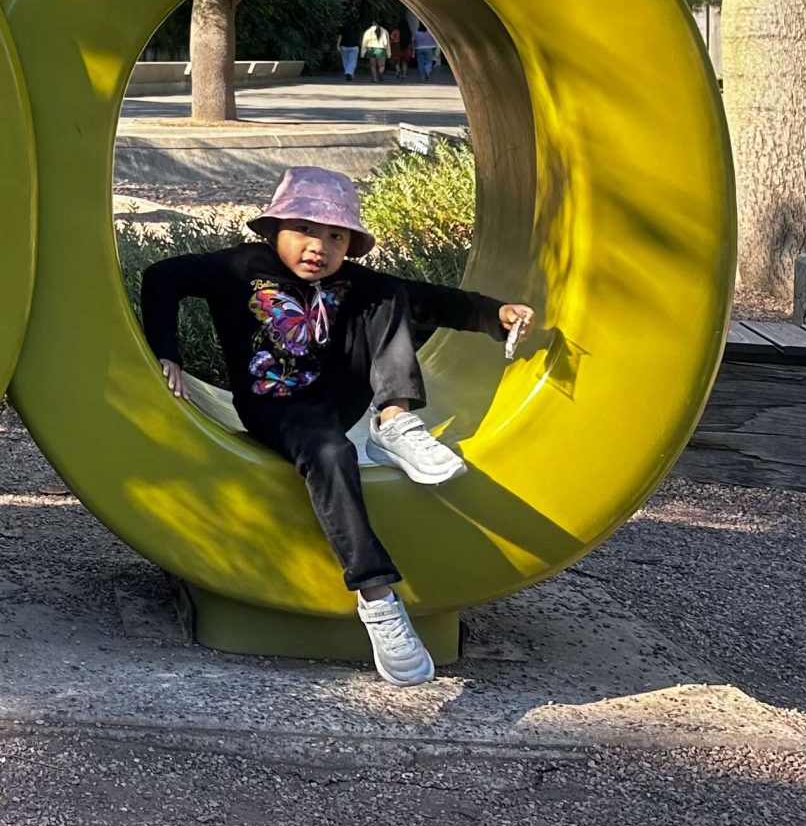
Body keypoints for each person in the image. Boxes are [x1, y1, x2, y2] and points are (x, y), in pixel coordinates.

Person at [138, 166, 534, 685]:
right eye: (304, 229)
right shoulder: (241, 268)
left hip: (341, 397)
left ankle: (394, 420)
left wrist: (494, 313)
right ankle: (378, 598)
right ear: (274, 228)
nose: (318, 246)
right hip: (277, 406)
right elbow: (161, 277)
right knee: (331, 455)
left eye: (335, 235)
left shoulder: (353, 282)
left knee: (389, 292)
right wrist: (166, 352)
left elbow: (431, 301)